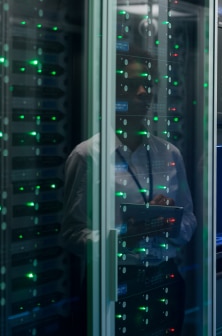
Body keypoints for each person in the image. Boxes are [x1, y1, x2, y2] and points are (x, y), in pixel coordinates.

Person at [62, 47, 197, 334]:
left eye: (147, 84)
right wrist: (126, 234)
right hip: (112, 283)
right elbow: (71, 234)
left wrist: (169, 222)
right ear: (113, 90)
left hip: (165, 277)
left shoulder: (169, 153)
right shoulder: (88, 156)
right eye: (132, 83)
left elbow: (189, 219)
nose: (142, 91)